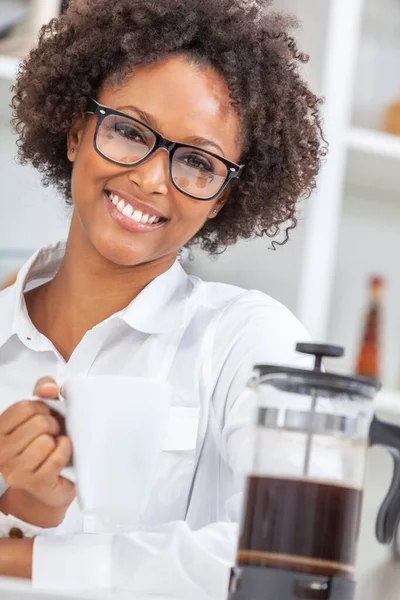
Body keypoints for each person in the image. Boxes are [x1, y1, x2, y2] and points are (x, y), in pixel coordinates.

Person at [0, 0, 325, 595]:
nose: (151, 179)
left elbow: (290, 551)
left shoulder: (249, 341)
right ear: (77, 131)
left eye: (198, 162)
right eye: (128, 130)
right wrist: (28, 506)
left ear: (222, 198)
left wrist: (21, 559)